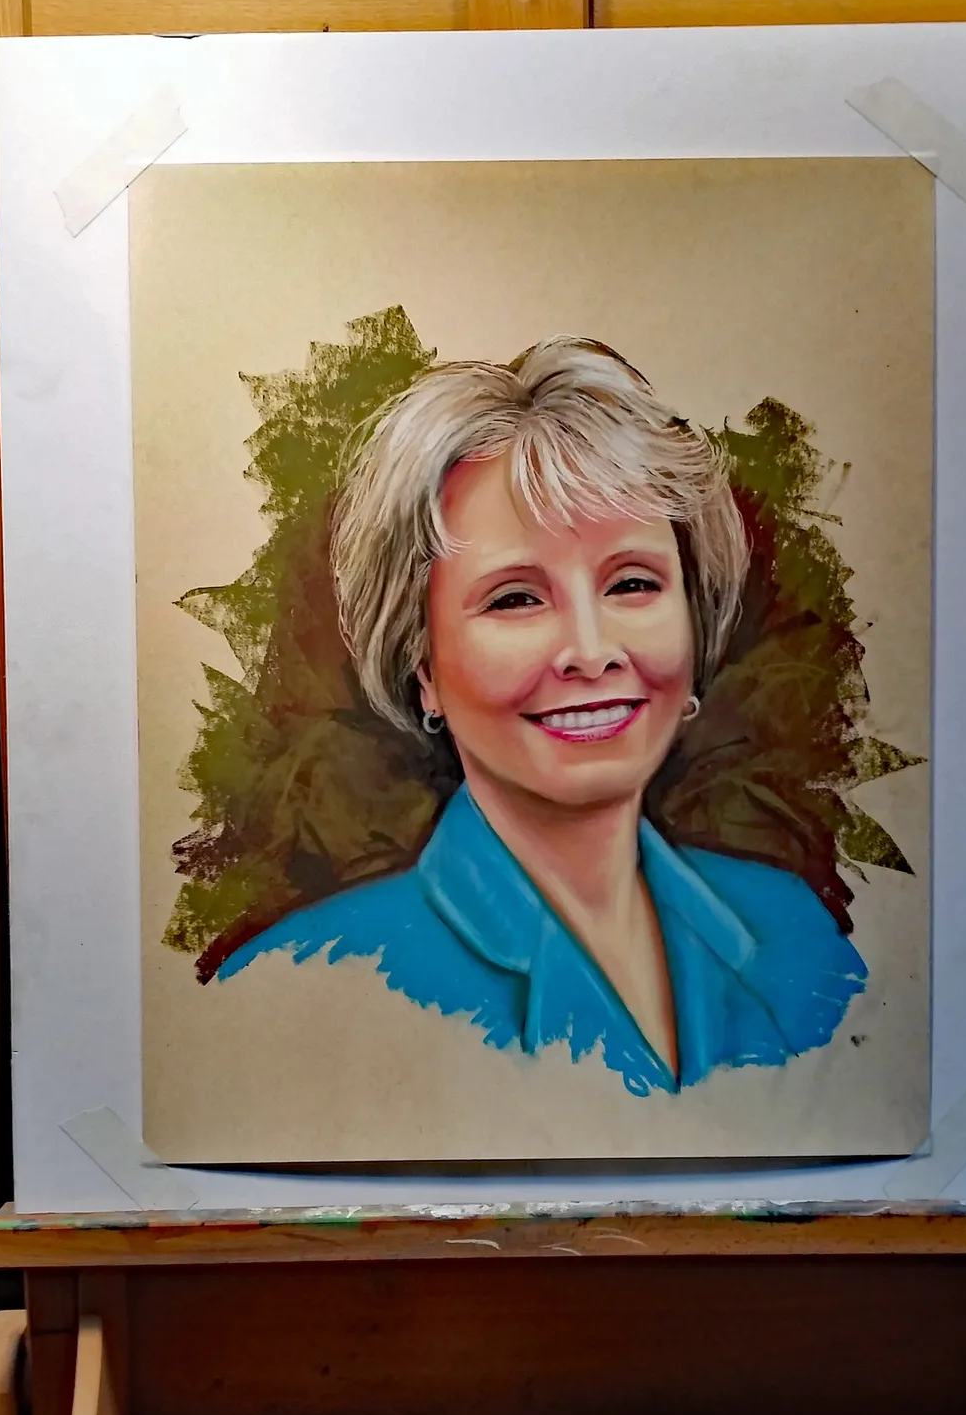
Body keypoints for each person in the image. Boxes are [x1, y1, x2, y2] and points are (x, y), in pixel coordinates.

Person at [220, 337, 866, 1096]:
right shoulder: (305, 992)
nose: (591, 653)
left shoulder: (799, 934)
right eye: (516, 598)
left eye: (631, 584)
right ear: (423, 666)